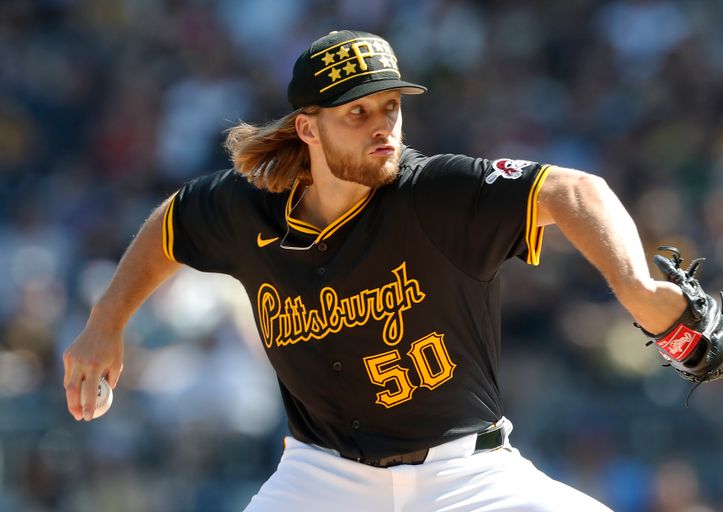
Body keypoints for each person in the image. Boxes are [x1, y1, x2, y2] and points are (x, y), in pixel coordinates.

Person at [63, 30, 689, 511]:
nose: (382, 126)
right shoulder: (244, 206)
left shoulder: (435, 193)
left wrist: (635, 286)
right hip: (322, 476)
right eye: (355, 114)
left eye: (389, 106)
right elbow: (172, 225)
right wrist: (105, 321)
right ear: (307, 127)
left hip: (466, 474)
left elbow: (573, 191)